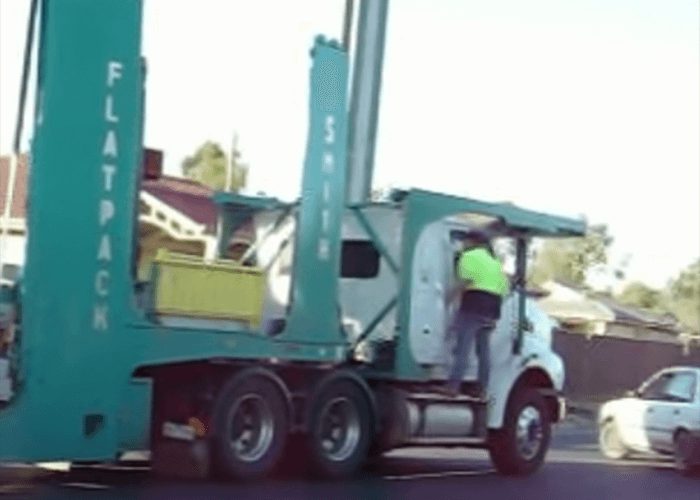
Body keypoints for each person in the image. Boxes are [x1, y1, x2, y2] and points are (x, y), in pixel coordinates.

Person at [437, 230, 509, 399]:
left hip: (474, 304)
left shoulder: (468, 256)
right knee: (483, 351)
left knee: (462, 347)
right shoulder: (494, 262)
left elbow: (465, 281)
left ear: (472, 241)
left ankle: (453, 387)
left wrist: (447, 299)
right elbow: (504, 288)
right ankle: (482, 388)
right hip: (493, 307)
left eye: (465, 240)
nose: (463, 244)